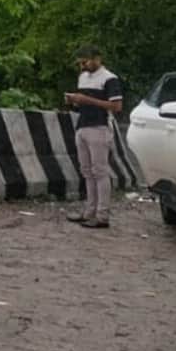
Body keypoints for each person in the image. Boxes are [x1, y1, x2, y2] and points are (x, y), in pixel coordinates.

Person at [65, 46, 123, 229]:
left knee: (100, 171)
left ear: (97, 58)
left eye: (86, 61)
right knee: (87, 171)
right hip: (82, 125)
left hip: (99, 127)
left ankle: (102, 215)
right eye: (81, 62)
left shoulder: (109, 79)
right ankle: (89, 211)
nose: (83, 65)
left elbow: (116, 106)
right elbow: (82, 104)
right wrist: (74, 102)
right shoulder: (83, 77)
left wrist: (87, 100)